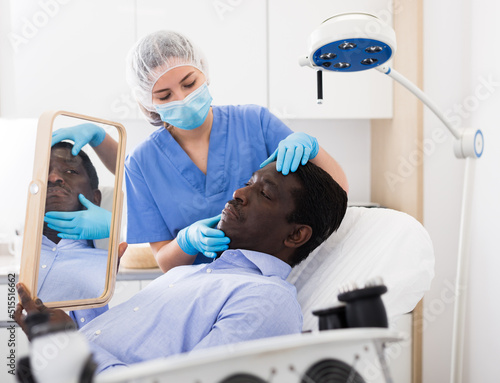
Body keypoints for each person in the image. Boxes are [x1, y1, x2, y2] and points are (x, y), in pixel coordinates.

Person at [49, 30, 349, 272]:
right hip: (201, 290)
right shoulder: (141, 163)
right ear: (147, 102)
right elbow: (165, 260)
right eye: (164, 95)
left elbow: (336, 192)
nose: (182, 98)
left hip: (273, 278)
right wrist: (187, 242)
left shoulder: (254, 122)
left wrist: (312, 147)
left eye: (189, 83)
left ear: (203, 72)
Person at [15, 161, 348, 374]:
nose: (238, 193)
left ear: (295, 234)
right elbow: (121, 349)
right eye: (248, 181)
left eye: (264, 192)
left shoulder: (267, 300)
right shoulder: (188, 274)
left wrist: (71, 347)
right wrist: (84, 302)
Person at [39, 142, 111, 326]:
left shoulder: (113, 260)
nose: (53, 177)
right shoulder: (21, 261)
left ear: (95, 198)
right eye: (45, 172)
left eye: (70, 171)